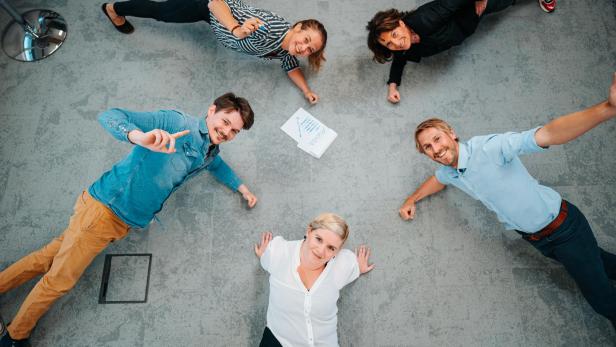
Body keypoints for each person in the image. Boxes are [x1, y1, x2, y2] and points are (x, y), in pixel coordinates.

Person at [0, 93, 259, 346]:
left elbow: (216, 165)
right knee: (60, 280)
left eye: (234, 131)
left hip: (120, 220)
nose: (226, 132)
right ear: (212, 110)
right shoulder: (176, 122)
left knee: (47, 256)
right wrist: (139, 137)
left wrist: (242, 188)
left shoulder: (209, 151)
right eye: (226, 122)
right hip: (104, 211)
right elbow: (111, 116)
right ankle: (15, 336)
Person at [399, 73, 616, 330]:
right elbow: (437, 180)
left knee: (601, 299)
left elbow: (546, 134)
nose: (435, 149)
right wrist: (411, 199)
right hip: (537, 239)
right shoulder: (450, 171)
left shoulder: (489, 148)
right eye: (427, 147)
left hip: (563, 228)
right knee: (601, 262)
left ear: (452, 134)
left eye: (437, 139)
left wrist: (608, 108)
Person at [101, 0, 327, 104]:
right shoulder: (270, 27)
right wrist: (237, 30)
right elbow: (216, 4)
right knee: (162, 12)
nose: (304, 49)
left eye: (310, 49)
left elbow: (291, 66)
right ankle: (113, 8)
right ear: (297, 27)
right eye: (306, 40)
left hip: (216, 24)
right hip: (207, 8)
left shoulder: (286, 49)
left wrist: (306, 91)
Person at [366, 0, 555, 104]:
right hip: (466, 25)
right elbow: (400, 58)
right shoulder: (406, 45)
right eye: (389, 44)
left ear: (400, 23)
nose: (396, 43)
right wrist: (393, 85)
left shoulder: (425, 19)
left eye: (395, 34)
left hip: (473, 10)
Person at [254, 213, 375, 346]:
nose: (321, 251)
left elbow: (354, 267)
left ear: (337, 251)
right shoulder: (278, 253)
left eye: (331, 248)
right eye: (319, 239)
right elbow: (266, 259)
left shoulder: (341, 266)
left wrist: (359, 268)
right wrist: (264, 254)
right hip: (279, 341)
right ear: (309, 231)